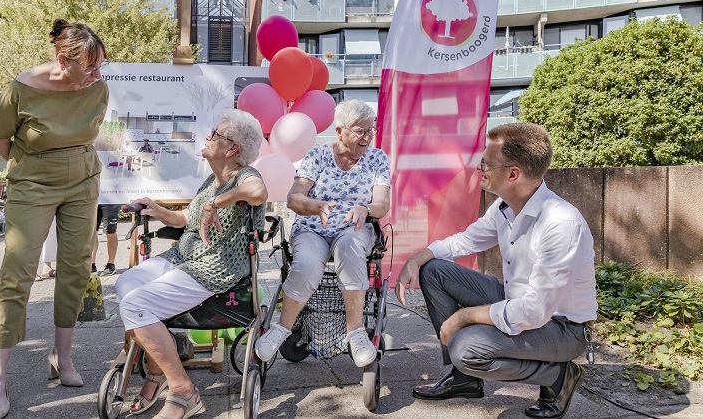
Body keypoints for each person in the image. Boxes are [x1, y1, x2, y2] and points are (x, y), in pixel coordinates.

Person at [395, 122, 597, 419]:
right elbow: (468, 239)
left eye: (486, 164)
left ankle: (558, 377)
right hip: (515, 299)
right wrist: (418, 257)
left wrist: (462, 318)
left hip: (561, 328)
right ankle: (464, 379)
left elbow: (533, 312)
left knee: (465, 348)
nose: (481, 169)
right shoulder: (505, 206)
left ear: (513, 174)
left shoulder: (560, 224)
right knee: (434, 270)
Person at [0, 19, 109, 419]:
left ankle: (63, 356)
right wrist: (31, 169)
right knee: (18, 270)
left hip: (83, 180)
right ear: (61, 60)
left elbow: (93, 132)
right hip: (32, 182)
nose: (97, 75)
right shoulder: (19, 90)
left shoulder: (97, 88)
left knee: (75, 266)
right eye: (89, 67)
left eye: (100, 65)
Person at [114, 110, 266, 418]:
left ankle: (183, 391)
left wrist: (217, 203)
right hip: (183, 256)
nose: (208, 138)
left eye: (215, 135)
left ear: (232, 148)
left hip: (214, 267)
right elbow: (188, 219)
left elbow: (258, 192)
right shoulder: (212, 178)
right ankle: (157, 372)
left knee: (134, 306)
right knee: (125, 284)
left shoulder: (245, 176)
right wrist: (158, 210)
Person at [254, 99, 390, 368]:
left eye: (370, 130)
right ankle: (281, 329)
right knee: (304, 264)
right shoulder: (318, 156)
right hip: (314, 227)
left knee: (350, 249)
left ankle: (356, 332)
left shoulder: (377, 159)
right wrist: (317, 206)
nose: (367, 137)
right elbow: (294, 199)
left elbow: (382, 204)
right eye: (359, 131)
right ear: (340, 131)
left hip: (354, 228)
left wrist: (365, 209)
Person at [93, 203, 122, 276]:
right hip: (93, 197)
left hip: (111, 200)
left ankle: (110, 264)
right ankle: (91, 265)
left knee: (110, 232)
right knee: (91, 232)